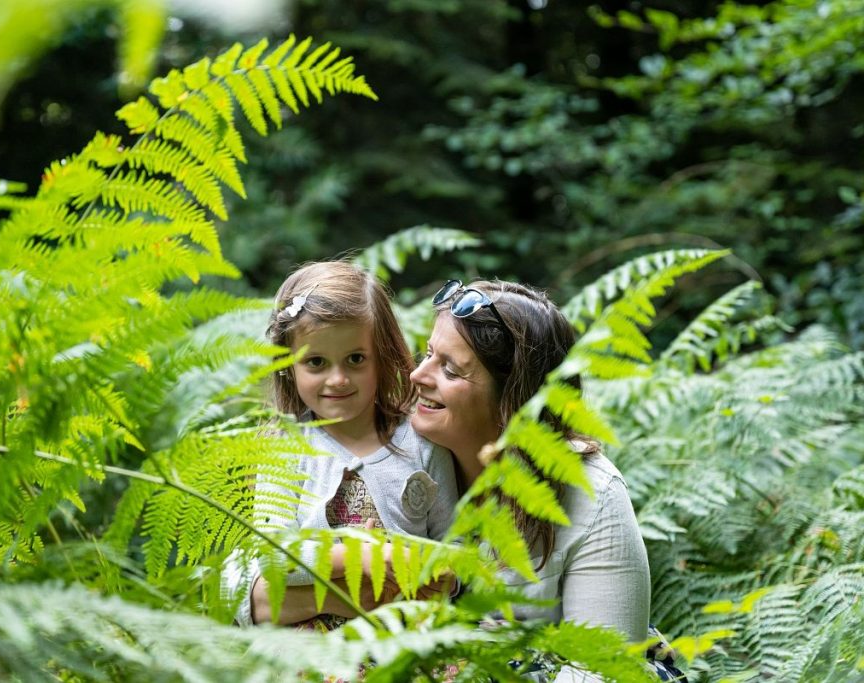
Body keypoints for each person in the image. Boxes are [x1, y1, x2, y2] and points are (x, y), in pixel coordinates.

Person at [409, 279, 653, 676]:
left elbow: (606, 672)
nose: (418, 374)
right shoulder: (394, 456)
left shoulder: (593, 495)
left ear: (513, 403)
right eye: (428, 353)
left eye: (450, 370)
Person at [231, 261, 460, 629]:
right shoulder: (285, 450)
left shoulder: (422, 445)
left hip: (406, 645)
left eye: (355, 359)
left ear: (382, 357)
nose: (337, 379)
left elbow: (455, 547)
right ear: (288, 367)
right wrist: (361, 559)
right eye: (316, 362)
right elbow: (274, 560)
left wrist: (439, 575)